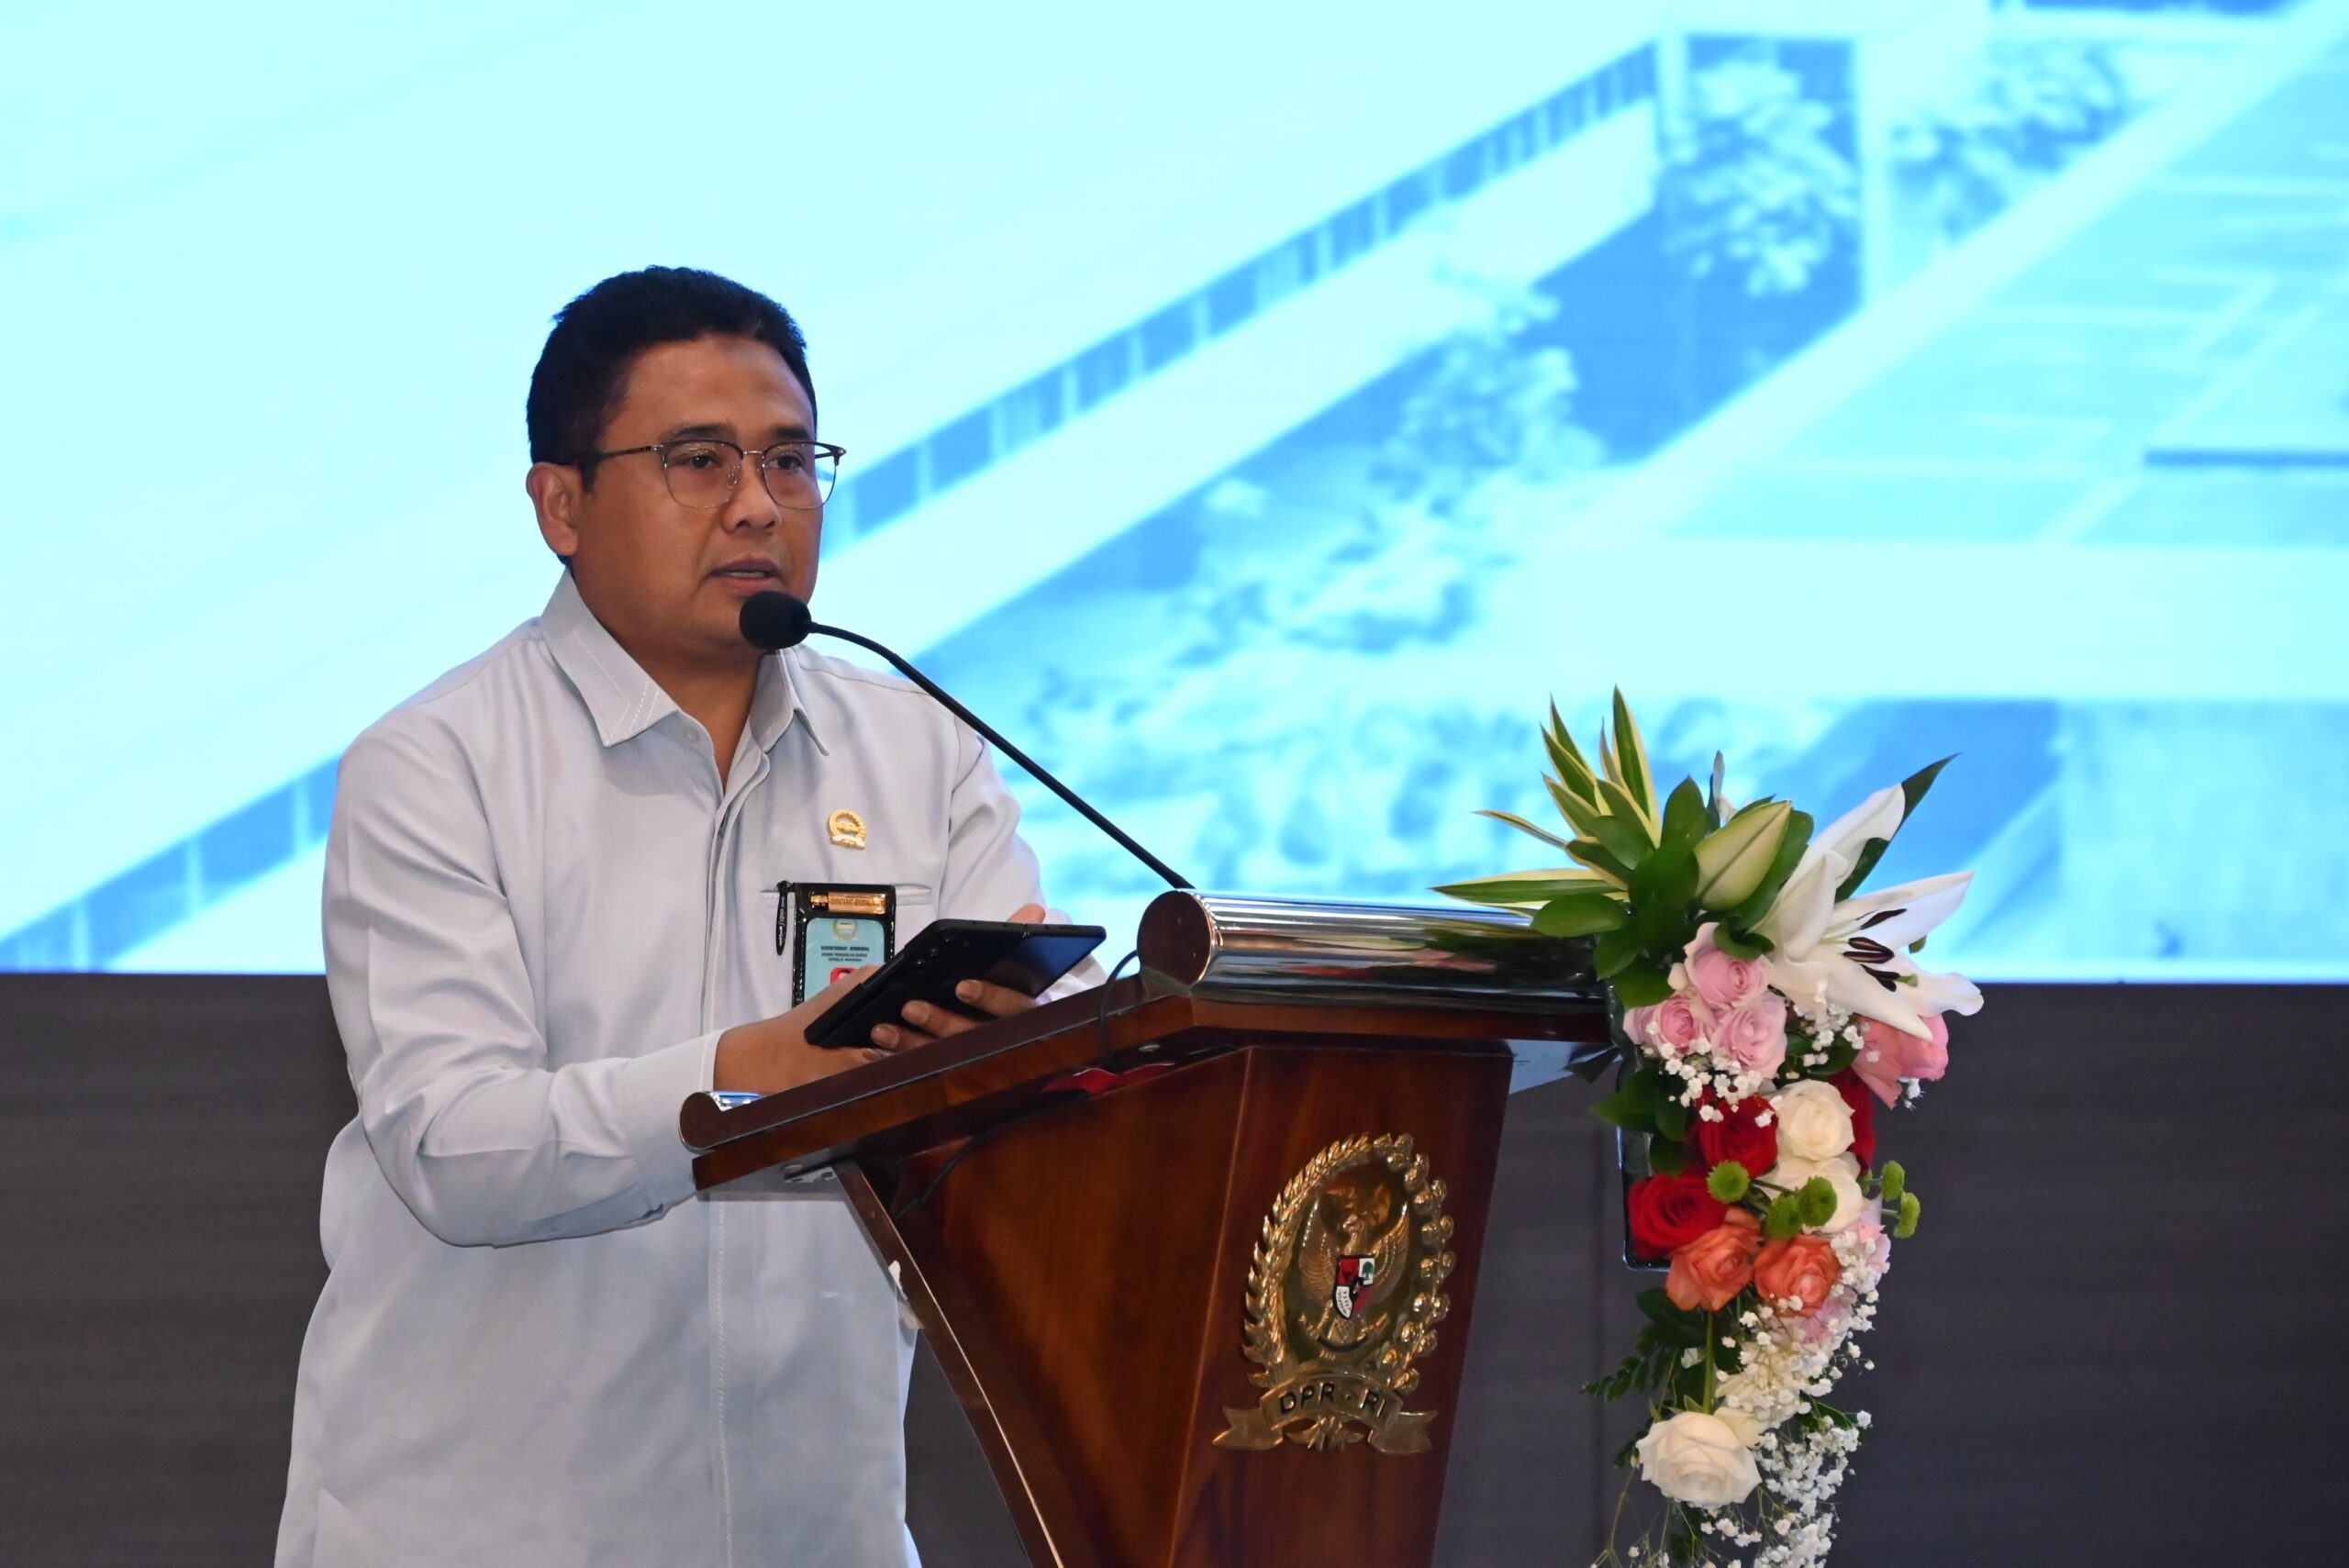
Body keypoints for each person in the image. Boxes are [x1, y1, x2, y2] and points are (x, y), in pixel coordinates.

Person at [276, 265, 1086, 1566]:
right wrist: (763, 1072)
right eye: (699, 460)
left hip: (814, 1527)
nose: (761, 504)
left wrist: (1020, 1069)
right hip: (489, 1530)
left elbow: (998, 1147)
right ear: (560, 502)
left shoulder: (920, 749)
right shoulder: (440, 763)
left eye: (789, 458)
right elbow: (456, 1146)